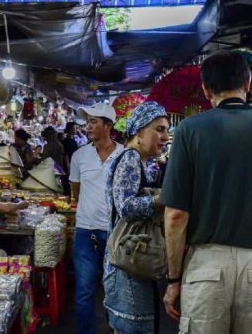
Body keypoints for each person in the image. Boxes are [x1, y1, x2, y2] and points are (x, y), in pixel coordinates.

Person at [161, 51, 252, 333]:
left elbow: (175, 215)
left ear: (206, 90)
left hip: (206, 267)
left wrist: (174, 280)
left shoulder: (190, 130)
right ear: (248, 83)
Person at [104, 102, 170, 334]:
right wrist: (163, 199)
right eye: (159, 129)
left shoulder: (140, 160)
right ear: (139, 131)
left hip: (131, 256)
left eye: (166, 130)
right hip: (126, 259)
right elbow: (126, 206)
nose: (165, 136)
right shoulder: (130, 157)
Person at [69, 102, 124, 334]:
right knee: (84, 290)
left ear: (108, 125)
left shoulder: (124, 155)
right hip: (86, 231)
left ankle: (115, 330)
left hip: (116, 233)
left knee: (115, 290)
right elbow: (76, 191)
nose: (88, 126)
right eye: (87, 122)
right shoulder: (79, 156)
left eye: (93, 122)